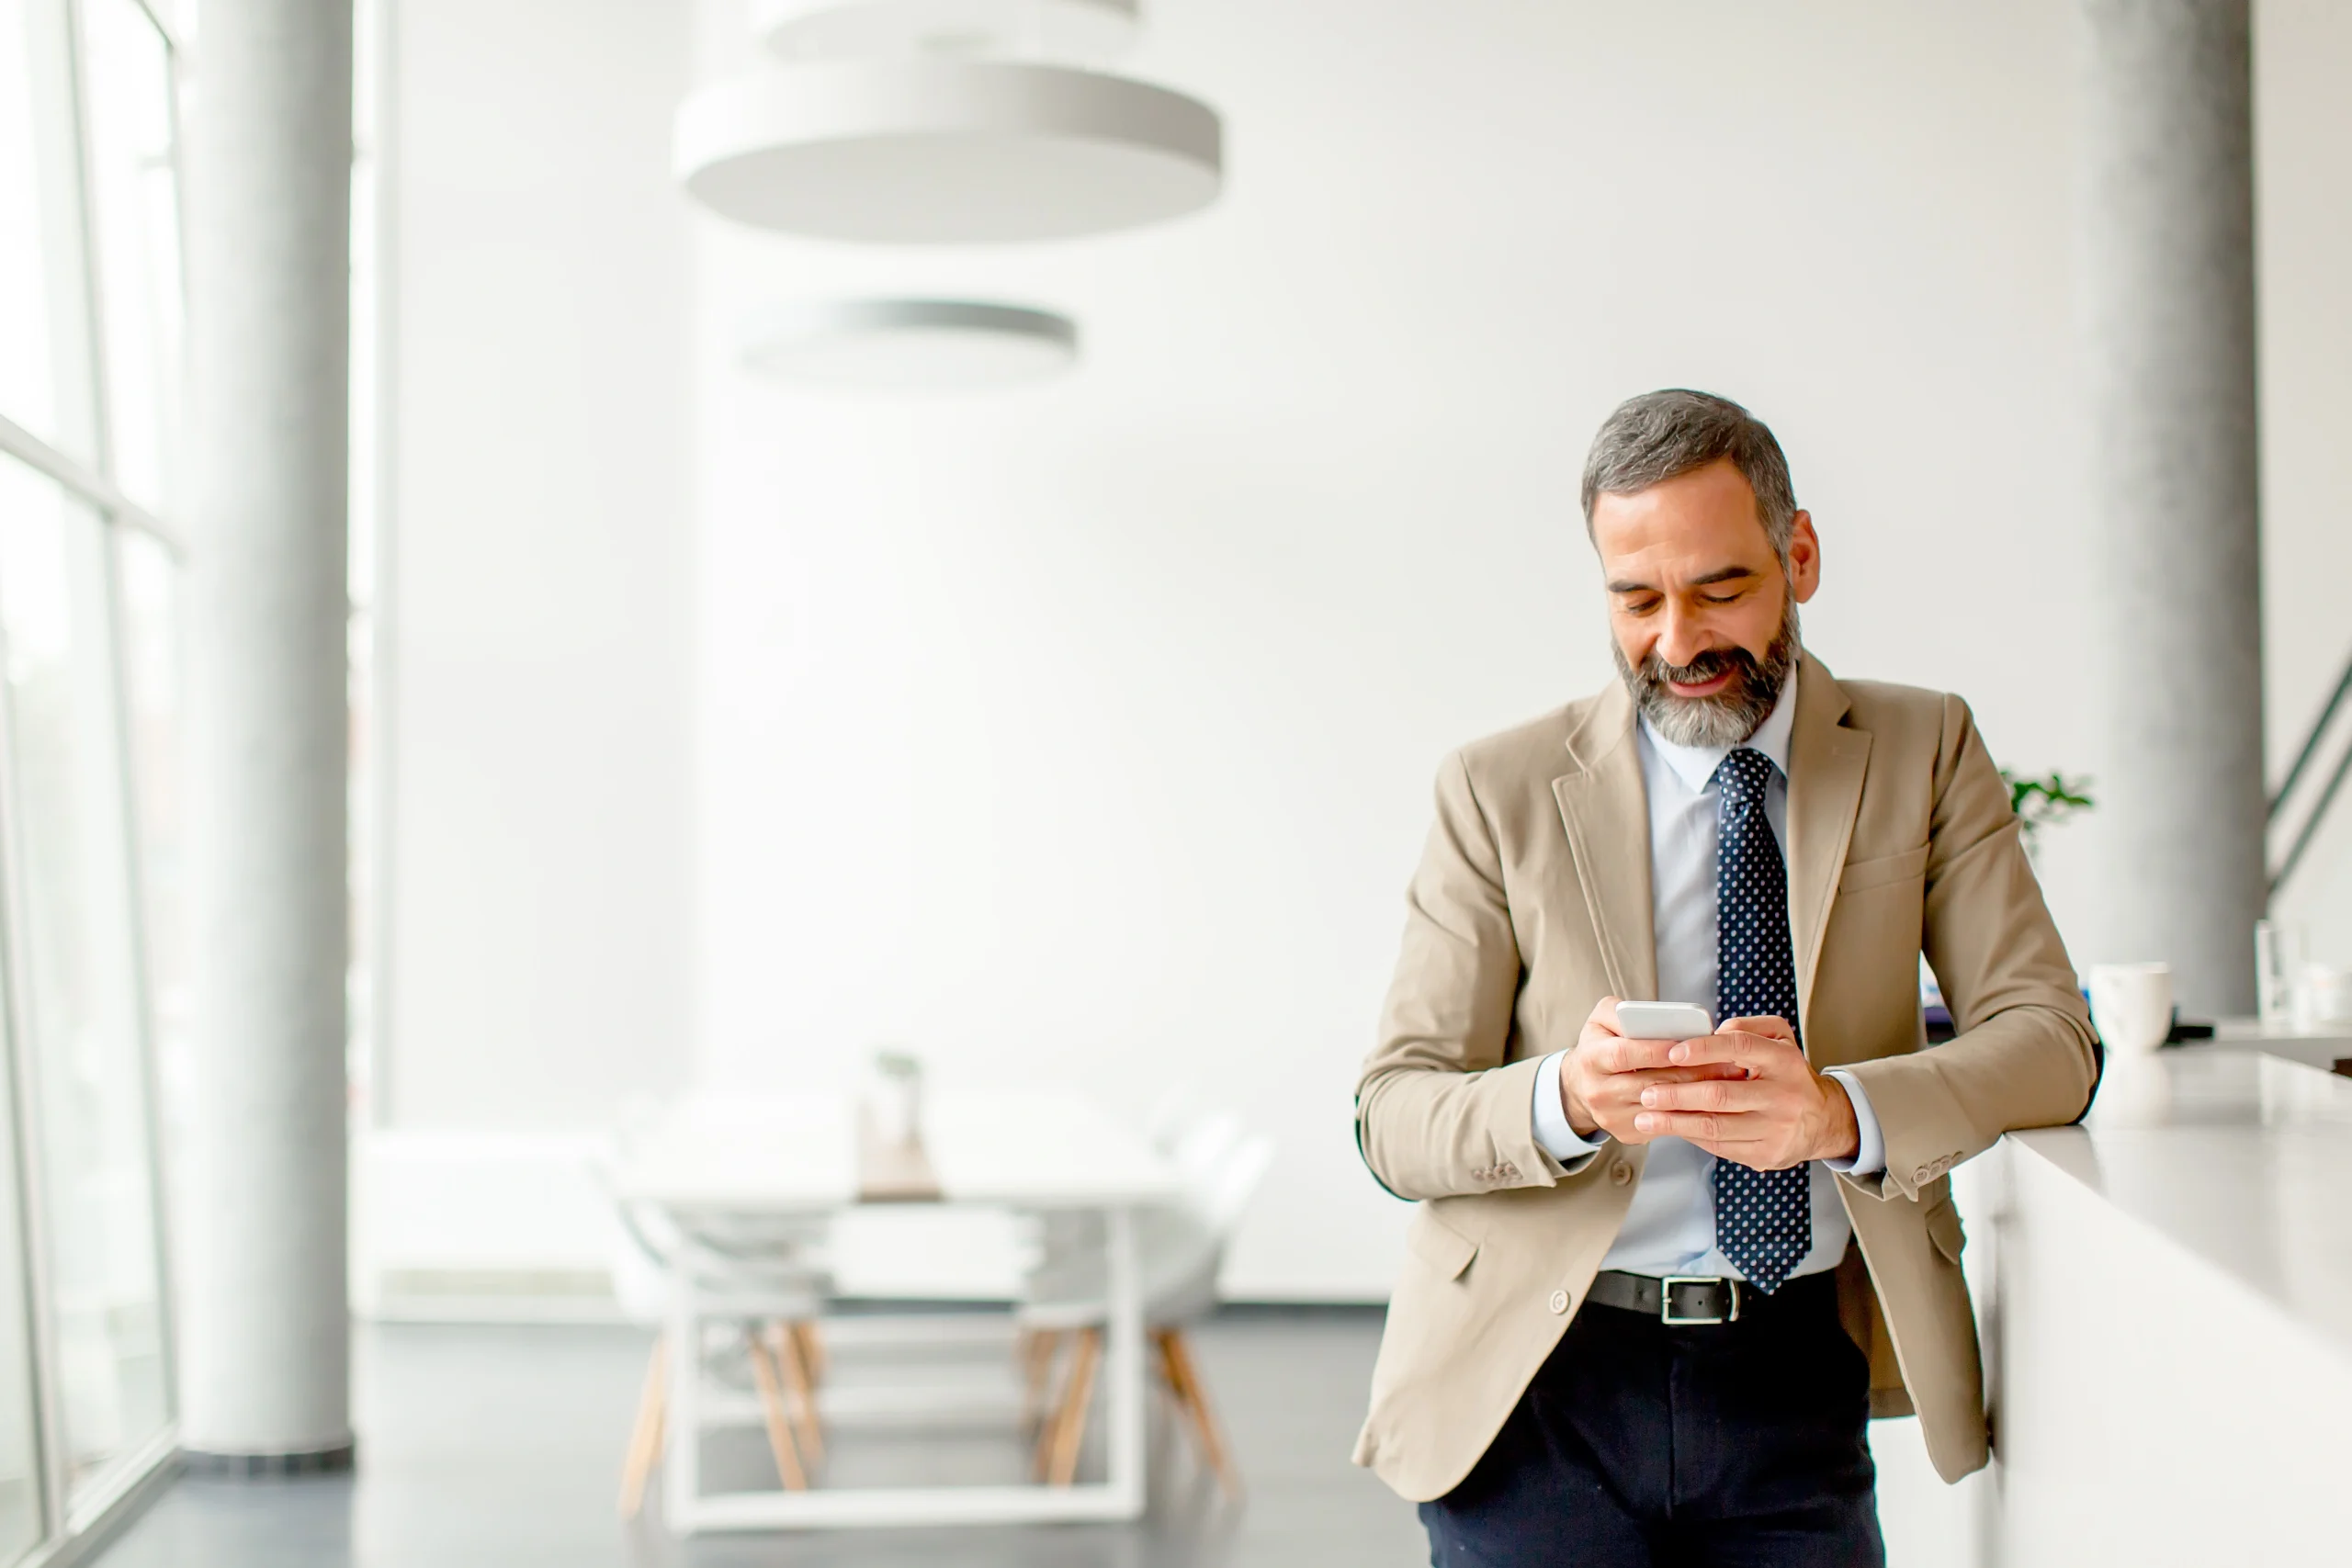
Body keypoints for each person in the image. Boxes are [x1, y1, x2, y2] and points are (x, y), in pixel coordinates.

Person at [1351, 389, 2098, 1566]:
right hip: (1535, 1383)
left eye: (1720, 590)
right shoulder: (1494, 790)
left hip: (1793, 1371)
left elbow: (2051, 1036)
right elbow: (1392, 1115)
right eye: (1636, 600)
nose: (1678, 642)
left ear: (1798, 556)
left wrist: (1841, 1112)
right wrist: (1564, 1100)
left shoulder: (1926, 746)